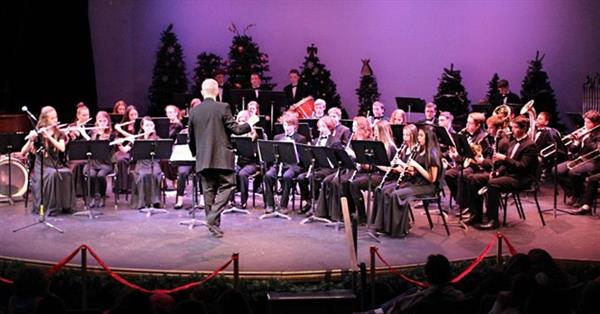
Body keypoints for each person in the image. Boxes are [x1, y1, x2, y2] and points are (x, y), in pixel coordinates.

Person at [189, 78, 256, 237]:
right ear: (217, 91)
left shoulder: (194, 111)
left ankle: (213, 225)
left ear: (202, 92)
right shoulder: (223, 107)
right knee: (229, 185)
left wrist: (196, 154)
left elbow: (191, 139)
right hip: (221, 157)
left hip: (203, 158)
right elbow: (237, 130)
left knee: (208, 192)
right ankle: (212, 219)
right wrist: (251, 122)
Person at [477, 115, 539, 229]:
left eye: (515, 127)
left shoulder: (530, 145)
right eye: (512, 127)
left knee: (493, 184)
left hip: (522, 179)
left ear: (523, 128)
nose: (512, 130)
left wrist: (504, 158)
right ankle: (482, 213)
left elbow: (522, 167)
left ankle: (493, 220)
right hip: (511, 175)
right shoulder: (512, 141)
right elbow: (506, 165)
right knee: (486, 179)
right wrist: (497, 172)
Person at [21, 106, 76, 216]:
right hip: (42, 165)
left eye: (56, 117)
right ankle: (51, 207)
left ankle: (65, 205)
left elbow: (62, 148)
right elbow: (23, 151)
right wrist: (31, 140)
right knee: (52, 175)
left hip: (55, 164)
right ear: (45, 120)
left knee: (67, 173)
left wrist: (49, 137)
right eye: (52, 118)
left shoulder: (59, 133)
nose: (55, 120)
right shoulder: (38, 133)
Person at [366, 254, 465, 313]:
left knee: (412, 292)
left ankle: (377, 311)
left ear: (427, 274)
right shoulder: (460, 297)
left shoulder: (419, 299)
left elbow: (395, 310)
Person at [263, 112, 308, 213]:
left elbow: (302, 159)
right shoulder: (277, 137)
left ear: (295, 126)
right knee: (268, 176)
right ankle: (270, 204)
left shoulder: (301, 139)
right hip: (279, 164)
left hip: (294, 165)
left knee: (287, 176)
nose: (287, 128)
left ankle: (283, 205)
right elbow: (273, 155)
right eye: (285, 125)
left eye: (289, 125)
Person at [556, 110, 600, 208]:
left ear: (596, 123)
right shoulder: (584, 132)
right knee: (556, 170)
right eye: (585, 122)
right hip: (580, 159)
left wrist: (586, 137)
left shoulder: (598, 134)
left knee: (573, 172)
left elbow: (596, 149)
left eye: (588, 122)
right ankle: (573, 194)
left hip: (593, 161)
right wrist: (576, 142)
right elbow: (572, 150)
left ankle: (580, 197)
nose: (585, 124)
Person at [297, 116, 341, 213]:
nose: (321, 129)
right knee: (301, 177)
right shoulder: (315, 141)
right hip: (318, 167)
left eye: (323, 127)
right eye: (320, 127)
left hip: (329, 168)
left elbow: (337, 160)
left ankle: (316, 202)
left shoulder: (335, 141)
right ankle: (308, 201)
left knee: (313, 177)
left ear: (329, 127)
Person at [129, 116, 163, 209]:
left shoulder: (157, 138)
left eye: (151, 125)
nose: (149, 127)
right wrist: (121, 143)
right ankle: (142, 202)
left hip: (153, 162)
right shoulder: (138, 139)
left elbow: (162, 153)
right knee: (142, 175)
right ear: (142, 127)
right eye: (147, 125)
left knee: (155, 174)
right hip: (141, 163)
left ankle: (154, 201)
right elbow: (125, 149)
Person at [233, 110, 263, 209]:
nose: (241, 123)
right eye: (239, 121)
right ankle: (231, 200)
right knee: (231, 171)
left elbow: (258, 154)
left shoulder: (255, 136)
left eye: (243, 121)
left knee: (243, 174)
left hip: (252, 163)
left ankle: (243, 201)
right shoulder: (235, 136)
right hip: (240, 162)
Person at [85, 111, 115, 208]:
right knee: (92, 175)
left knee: (101, 175)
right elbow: (88, 146)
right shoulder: (91, 133)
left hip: (105, 163)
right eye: (100, 121)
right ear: (96, 122)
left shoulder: (112, 135)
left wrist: (101, 136)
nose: (102, 123)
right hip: (93, 162)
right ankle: (93, 197)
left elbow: (106, 150)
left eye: (104, 121)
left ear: (108, 122)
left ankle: (102, 197)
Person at [113, 105, 139, 193]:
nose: (134, 117)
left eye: (135, 114)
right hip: (123, 150)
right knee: (121, 160)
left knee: (133, 160)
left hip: (135, 149)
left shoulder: (139, 126)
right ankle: (122, 187)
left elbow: (133, 137)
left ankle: (131, 186)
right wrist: (119, 142)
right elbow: (118, 139)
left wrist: (120, 130)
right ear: (128, 116)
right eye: (131, 115)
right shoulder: (124, 125)